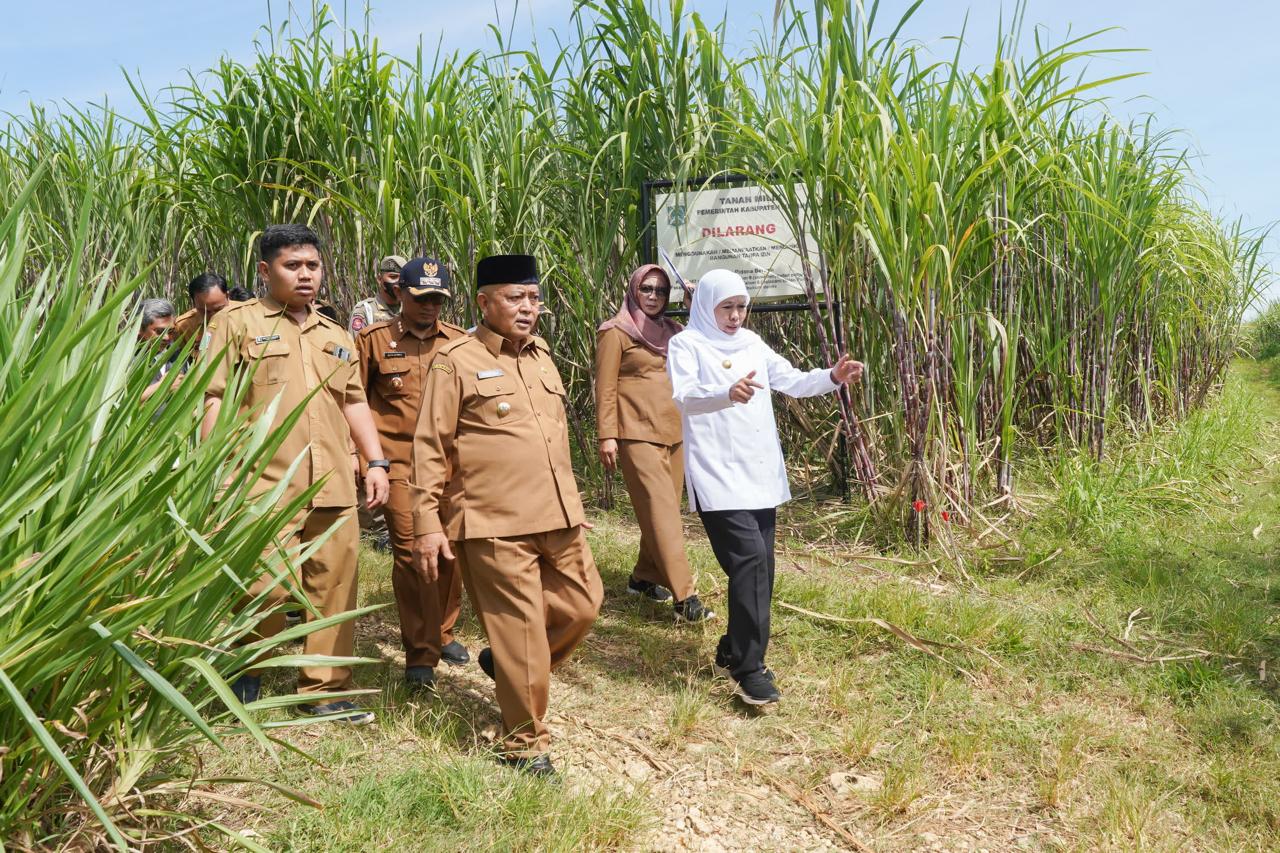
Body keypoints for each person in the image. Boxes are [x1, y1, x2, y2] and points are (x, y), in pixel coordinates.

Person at [411, 254, 602, 778]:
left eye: (534, 298)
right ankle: (523, 744)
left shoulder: (542, 355)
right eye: (515, 298)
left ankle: (510, 666)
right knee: (520, 629)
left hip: (556, 515)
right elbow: (430, 446)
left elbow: (553, 439)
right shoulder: (456, 360)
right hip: (493, 521)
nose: (528, 309)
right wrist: (427, 523)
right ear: (484, 301)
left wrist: (573, 502)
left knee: (583, 607)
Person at [202, 223, 391, 724]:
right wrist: (215, 469)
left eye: (312, 265)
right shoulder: (237, 322)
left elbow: (354, 401)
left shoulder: (335, 333)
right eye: (293, 266)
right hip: (262, 481)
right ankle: (246, 671)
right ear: (266, 271)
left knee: (334, 585)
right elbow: (215, 396)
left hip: (331, 480)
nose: (305, 275)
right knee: (266, 584)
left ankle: (324, 689)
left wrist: (374, 461)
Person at [667, 269, 864, 706]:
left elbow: (790, 379)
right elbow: (685, 396)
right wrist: (725, 392)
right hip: (717, 473)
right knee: (750, 561)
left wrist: (832, 376)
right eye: (727, 308)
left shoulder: (752, 343)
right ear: (706, 306)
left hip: (759, 473)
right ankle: (749, 668)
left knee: (761, 569)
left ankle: (734, 647)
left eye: (741, 307)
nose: (736, 316)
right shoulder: (686, 344)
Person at [356, 257, 470, 692]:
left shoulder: (459, 343)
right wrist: (363, 456)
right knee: (412, 555)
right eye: (422, 298)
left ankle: (443, 631)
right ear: (399, 293)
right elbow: (356, 398)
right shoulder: (374, 341)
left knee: (451, 552)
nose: (430, 307)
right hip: (399, 464)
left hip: (451, 466)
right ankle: (420, 653)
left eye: (438, 298)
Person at [595, 264, 711, 622]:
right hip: (635, 433)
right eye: (647, 288)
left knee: (664, 511)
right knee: (662, 513)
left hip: (674, 432)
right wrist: (607, 435)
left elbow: (707, 345)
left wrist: (698, 306)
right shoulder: (616, 332)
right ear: (634, 289)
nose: (654, 296)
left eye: (661, 291)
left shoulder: (675, 332)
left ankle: (643, 578)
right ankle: (685, 596)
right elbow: (605, 386)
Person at [349, 254, 405, 334]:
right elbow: (356, 345)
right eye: (393, 277)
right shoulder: (365, 310)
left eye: (402, 278)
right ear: (379, 279)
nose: (398, 283)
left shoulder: (409, 309)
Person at [173, 273, 230, 350]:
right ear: (194, 304)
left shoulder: (245, 314)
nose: (213, 316)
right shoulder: (184, 327)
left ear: (227, 296)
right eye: (205, 312)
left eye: (218, 309)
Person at [138, 298, 180, 402]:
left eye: (170, 331)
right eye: (159, 331)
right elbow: (119, 402)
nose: (166, 337)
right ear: (139, 329)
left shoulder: (177, 354)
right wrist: (163, 386)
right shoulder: (125, 360)